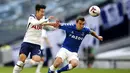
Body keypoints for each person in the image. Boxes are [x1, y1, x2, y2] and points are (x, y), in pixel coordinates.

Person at [13, 4, 57, 73]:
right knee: (21, 59)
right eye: (41, 12)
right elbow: (35, 23)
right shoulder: (32, 17)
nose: (43, 13)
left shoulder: (43, 19)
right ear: (37, 11)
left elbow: (50, 27)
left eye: (44, 12)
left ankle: (22, 63)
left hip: (36, 44)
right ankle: (19, 65)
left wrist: (55, 26)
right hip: (27, 42)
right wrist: (46, 20)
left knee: (37, 60)